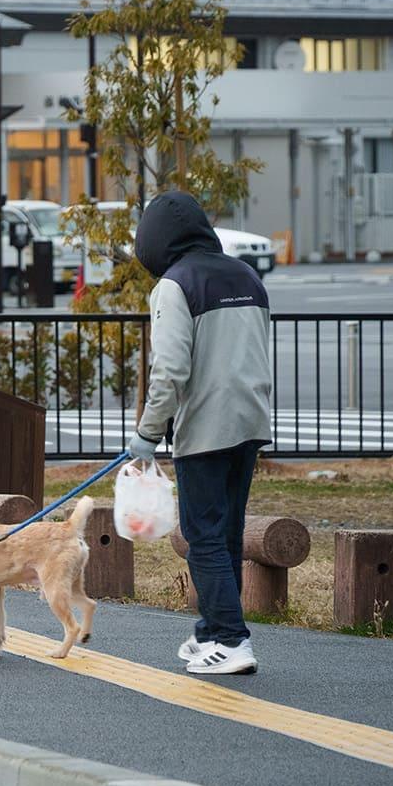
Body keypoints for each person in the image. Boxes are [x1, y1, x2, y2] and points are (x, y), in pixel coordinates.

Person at [127, 190, 273, 675]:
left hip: (206, 427)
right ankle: (212, 631)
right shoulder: (247, 276)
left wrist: (147, 432)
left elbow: (169, 369)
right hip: (251, 421)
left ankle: (232, 640)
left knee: (203, 535)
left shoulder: (175, 284)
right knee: (226, 532)